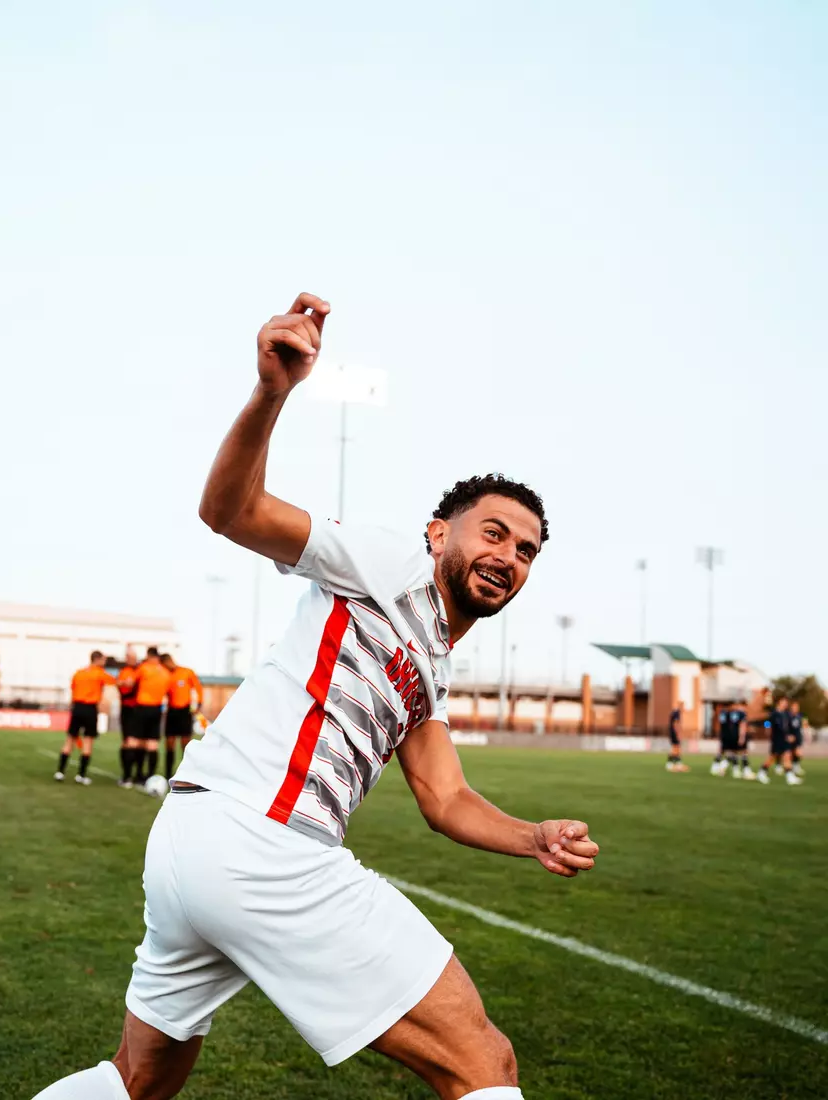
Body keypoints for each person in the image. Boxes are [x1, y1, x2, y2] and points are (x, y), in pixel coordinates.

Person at [33, 293, 600, 1100]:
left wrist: (532, 835)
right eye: (494, 532)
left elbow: (445, 798)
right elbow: (230, 511)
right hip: (262, 843)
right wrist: (273, 393)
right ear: (439, 532)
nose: (509, 555)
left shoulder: (429, 662)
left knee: (138, 1082)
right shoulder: (387, 561)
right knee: (484, 1063)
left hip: (191, 839)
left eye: (528, 550)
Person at [54, 652, 115, 786]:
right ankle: (81, 775)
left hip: (77, 708)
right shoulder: (99, 673)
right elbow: (114, 682)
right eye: (103, 660)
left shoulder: (79, 673)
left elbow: (73, 691)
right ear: (97, 659)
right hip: (90, 709)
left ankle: (60, 772)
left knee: (70, 740)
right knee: (87, 742)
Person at [131, 647, 172, 785]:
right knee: (153, 743)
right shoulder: (166, 672)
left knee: (139, 742)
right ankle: (150, 775)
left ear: (149, 655)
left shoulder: (144, 668)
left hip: (142, 707)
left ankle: (138, 774)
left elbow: (131, 682)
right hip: (156, 709)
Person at [160, 654, 203, 778]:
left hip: (185, 712)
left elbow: (198, 688)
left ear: (169, 661)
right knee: (169, 743)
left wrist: (198, 705)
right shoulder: (166, 675)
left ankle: (187, 775)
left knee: (185, 744)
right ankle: (168, 774)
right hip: (171, 712)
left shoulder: (186, 672)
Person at [757, 697, 802, 785]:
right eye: (783, 702)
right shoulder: (774, 714)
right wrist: (767, 729)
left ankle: (790, 776)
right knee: (772, 757)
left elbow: (788, 726)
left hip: (785, 739)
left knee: (787, 756)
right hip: (777, 739)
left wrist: (791, 735)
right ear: (779, 703)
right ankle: (762, 772)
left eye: (786, 703)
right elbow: (767, 723)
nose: (785, 704)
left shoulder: (786, 714)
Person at [117, 647, 140, 789]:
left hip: (138, 710)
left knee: (137, 742)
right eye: (128, 657)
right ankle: (127, 775)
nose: (130, 659)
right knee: (127, 741)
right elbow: (122, 688)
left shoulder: (140, 671)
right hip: (127, 709)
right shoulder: (124, 672)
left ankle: (136, 775)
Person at [711, 702, 749, 778]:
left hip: (725, 735)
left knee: (728, 752)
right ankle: (742, 770)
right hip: (734, 735)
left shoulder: (724, 713)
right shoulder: (740, 713)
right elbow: (742, 725)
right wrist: (742, 737)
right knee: (740, 752)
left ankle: (720, 766)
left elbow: (720, 724)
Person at [666, 702, 689, 772]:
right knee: (676, 748)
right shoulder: (677, 713)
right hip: (674, 732)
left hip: (671, 732)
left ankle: (673, 764)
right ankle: (675, 764)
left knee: (676, 748)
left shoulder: (674, 712)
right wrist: (678, 733)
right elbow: (675, 724)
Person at [788, 700, 805, 777]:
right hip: (790, 738)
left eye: (797, 707)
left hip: (797, 737)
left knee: (797, 753)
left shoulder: (799, 716)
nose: (796, 708)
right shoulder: (788, 716)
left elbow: (800, 727)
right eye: (794, 707)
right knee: (789, 754)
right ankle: (786, 767)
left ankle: (795, 767)